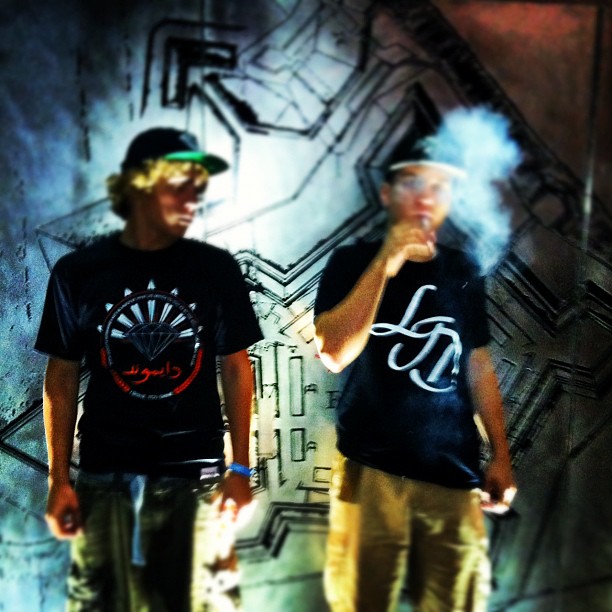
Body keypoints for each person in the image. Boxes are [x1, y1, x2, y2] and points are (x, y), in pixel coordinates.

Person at [35, 127, 263, 611]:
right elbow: (61, 375)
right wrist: (58, 481)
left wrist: (241, 468)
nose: (193, 197)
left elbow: (236, 367)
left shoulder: (216, 269)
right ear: (138, 185)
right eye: (180, 181)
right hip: (105, 476)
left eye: (198, 184)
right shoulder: (79, 273)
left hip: (196, 476)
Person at [314, 139, 516, 611]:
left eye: (439, 187)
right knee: (360, 602)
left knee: (456, 602)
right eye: (412, 183)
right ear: (387, 194)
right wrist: (386, 262)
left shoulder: (463, 268)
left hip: (454, 473)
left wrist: (501, 454)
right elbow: (333, 353)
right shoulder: (349, 261)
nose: (426, 197)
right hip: (369, 469)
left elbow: (477, 364)